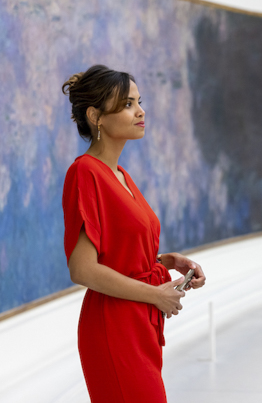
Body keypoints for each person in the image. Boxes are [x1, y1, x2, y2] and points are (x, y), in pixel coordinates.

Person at [61, 64, 206, 403]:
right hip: (114, 324)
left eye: (139, 102)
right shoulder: (85, 173)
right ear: (96, 115)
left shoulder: (121, 175)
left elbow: (116, 251)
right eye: (127, 104)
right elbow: (82, 268)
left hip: (138, 320)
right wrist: (155, 294)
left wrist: (166, 261)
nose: (140, 111)